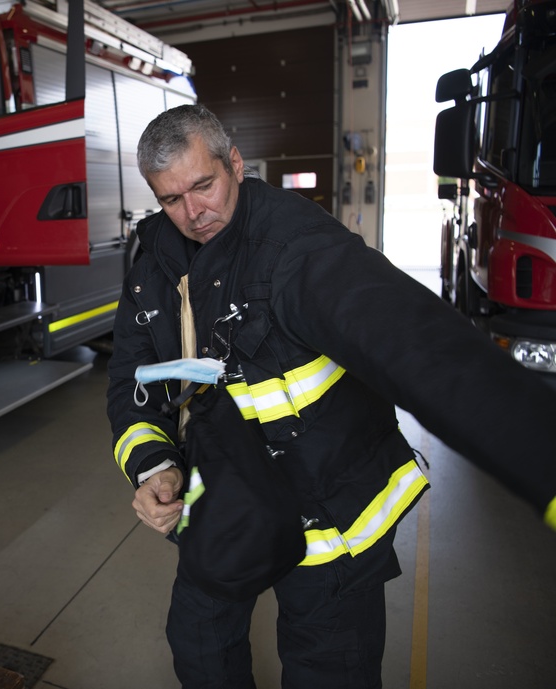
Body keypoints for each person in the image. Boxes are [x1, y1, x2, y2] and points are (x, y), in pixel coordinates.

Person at [105, 103, 556, 688]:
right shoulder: (153, 263)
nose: (193, 214)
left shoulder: (297, 248)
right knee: (198, 646)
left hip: (331, 524)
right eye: (170, 199)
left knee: (328, 670)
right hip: (224, 500)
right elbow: (130, 377)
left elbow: (416, 347)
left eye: (203, 186)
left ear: (235, 164)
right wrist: (154, 465)